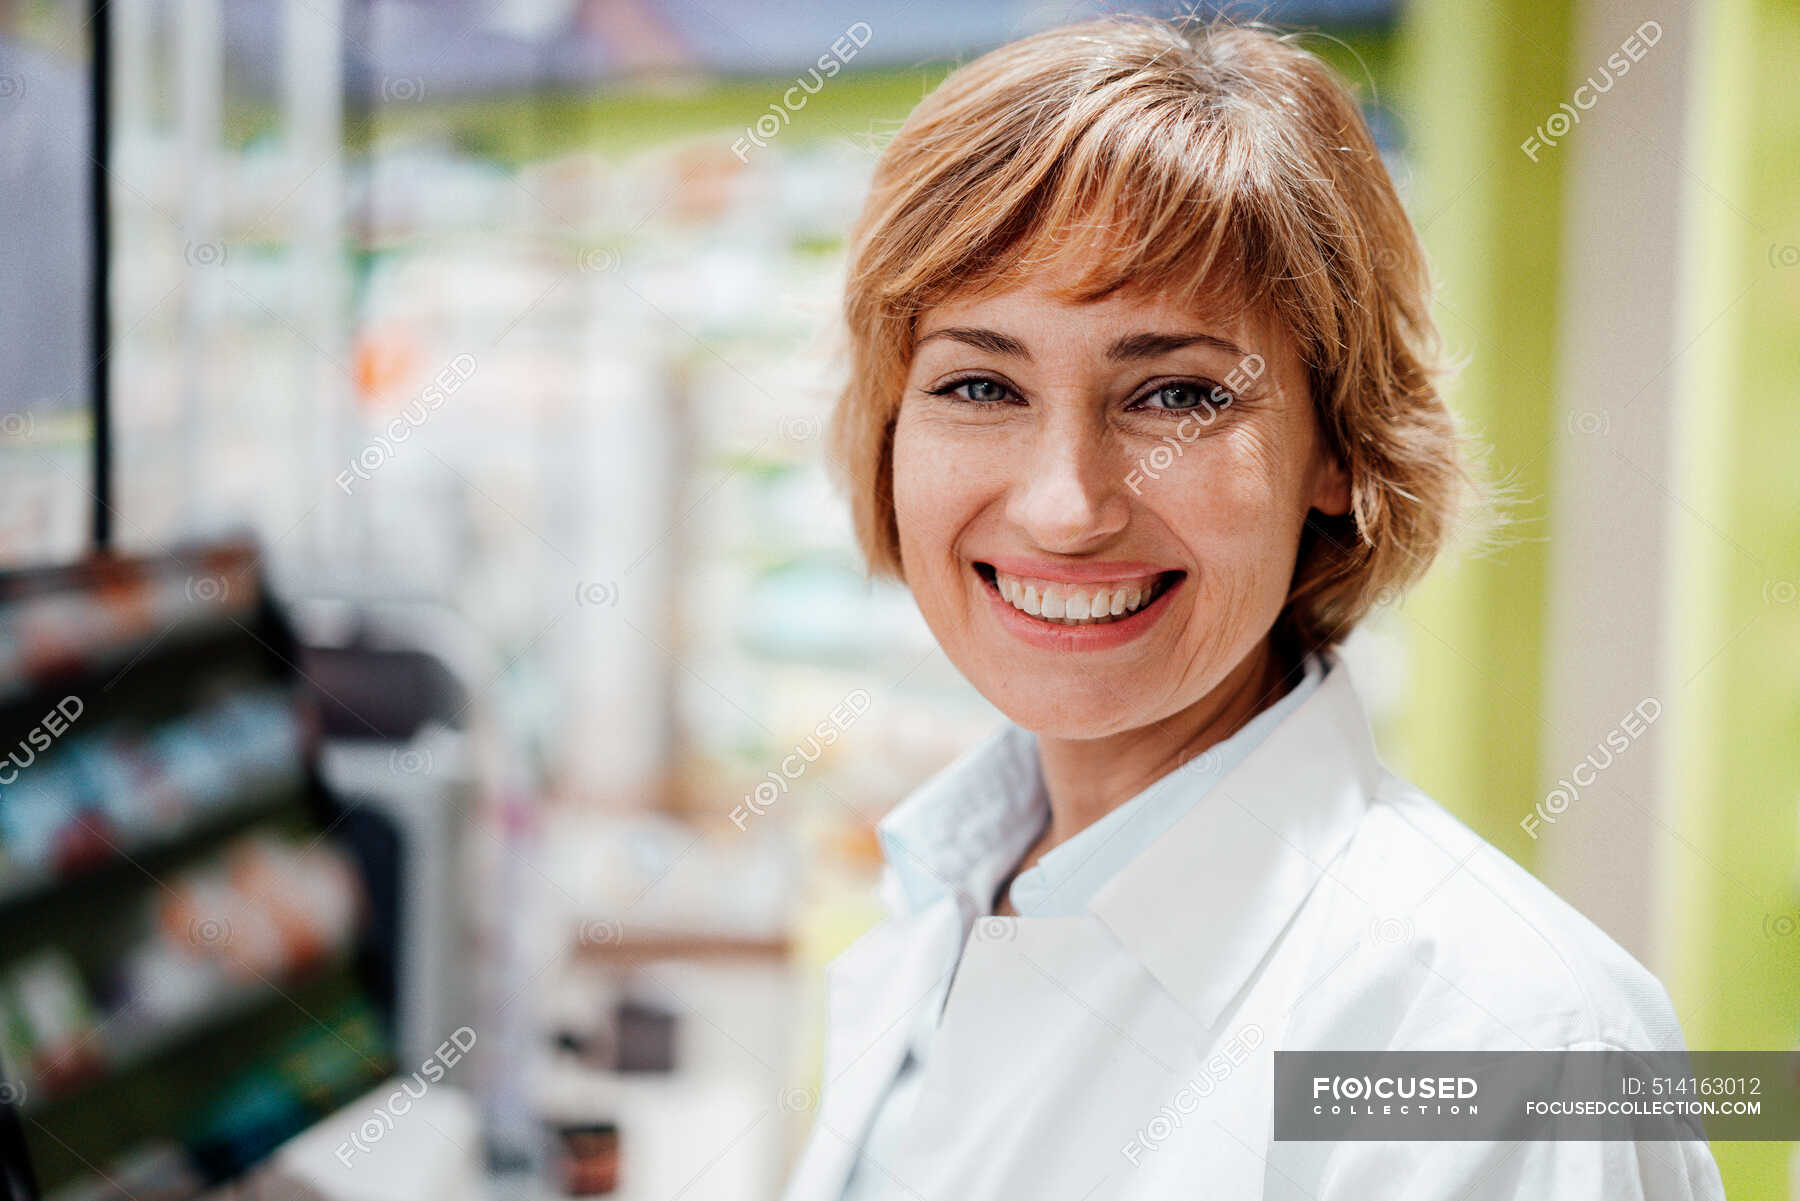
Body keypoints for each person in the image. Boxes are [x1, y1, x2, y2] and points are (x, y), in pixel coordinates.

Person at [779, 16, 1723, 1201]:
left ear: (1339, 444)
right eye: (981, 384)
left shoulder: (1507, 1042)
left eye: (1175, 394)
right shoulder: (946, 894)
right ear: (890, 427)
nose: (1067, 506)